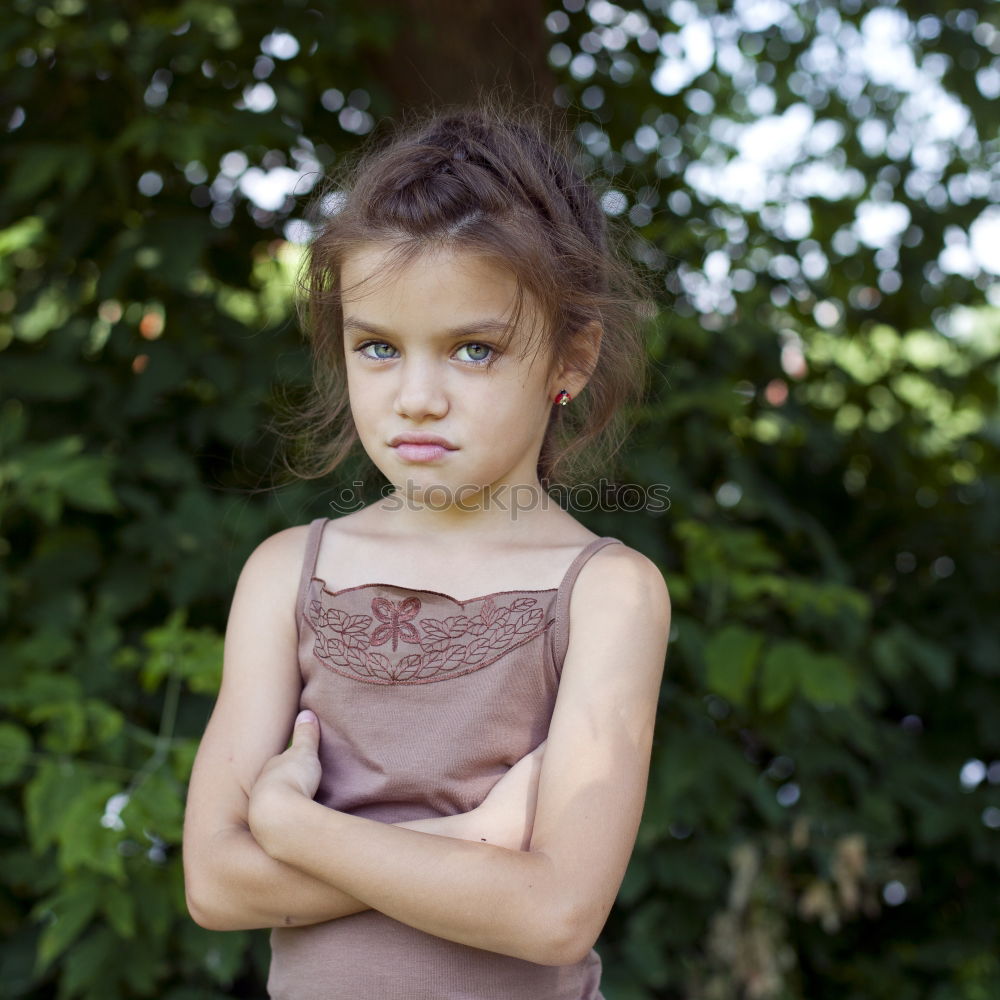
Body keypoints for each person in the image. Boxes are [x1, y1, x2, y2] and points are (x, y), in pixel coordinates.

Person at [182, 97, 671, 1000]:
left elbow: (555, 913)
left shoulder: (607, 594)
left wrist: (289, 823)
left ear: (572, 358)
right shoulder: (289, 573)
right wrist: (464, 845)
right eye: (377, 348)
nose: (416, 396)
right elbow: (214, 884)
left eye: (473, 351)